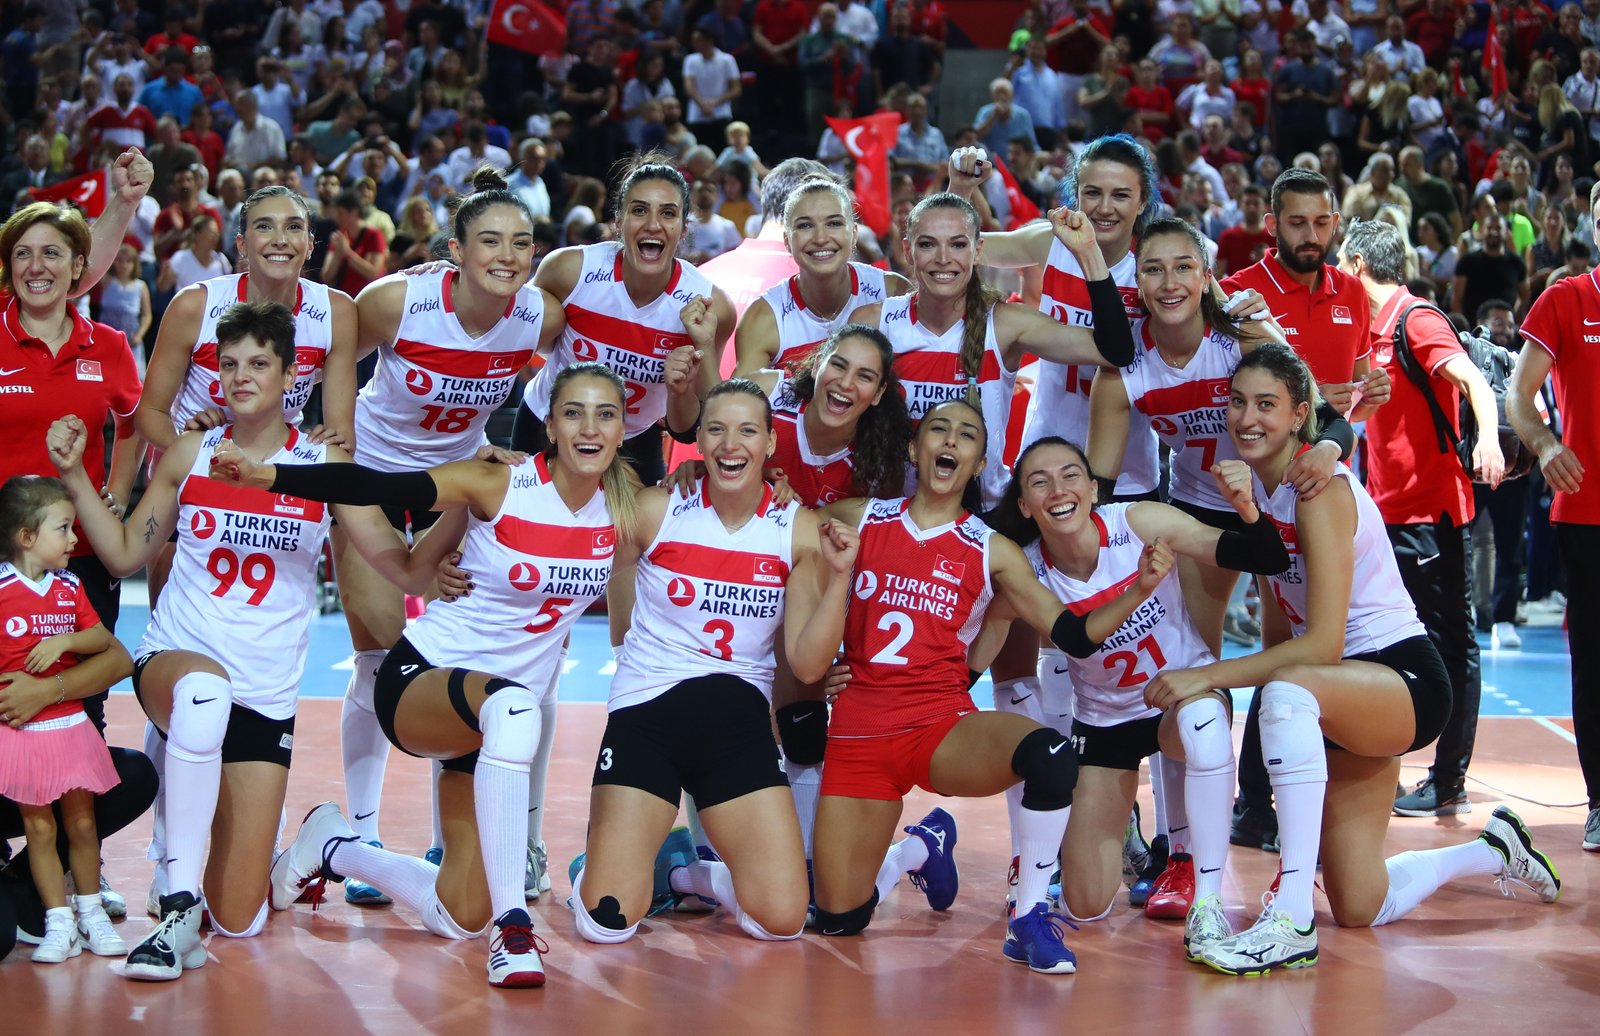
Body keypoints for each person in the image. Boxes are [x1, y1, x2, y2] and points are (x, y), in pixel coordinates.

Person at [46, 300, 444, 980]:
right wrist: (75, 475)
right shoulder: (191, 451)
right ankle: (176, 913)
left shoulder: (322, 464)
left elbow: (404, 568)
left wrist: (461, 513)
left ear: (290, 376)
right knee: (204, 692)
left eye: (259, 364)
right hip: (178, 660)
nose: (240, 377)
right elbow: (123, 554)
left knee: (239, 916)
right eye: (228, 365)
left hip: (264, 692)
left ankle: (321, 843)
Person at [214, 362, 641, 988]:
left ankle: (332, 848)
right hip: (424, 680)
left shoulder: (629, 508)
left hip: (492, 723)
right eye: (573, 413)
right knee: (518, 708)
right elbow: (375, 483)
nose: (589, 428)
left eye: (605, 415)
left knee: (459, 913)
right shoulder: (498, 482)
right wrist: (267, 474)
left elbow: (715, 500)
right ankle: (515, 930)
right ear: (549, 425)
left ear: (625, 429)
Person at [1151, 344, 1559, 976]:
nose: (1248, 418)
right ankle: (1494, 849)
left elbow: (1322, 647)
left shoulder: (1317, 490)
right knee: (1361, 902)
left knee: (1284, 691)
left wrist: (1204, 676)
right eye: (1238, 402)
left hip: (1401, 679)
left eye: (1266, 404)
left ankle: (1290, 919)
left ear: (1299, 415)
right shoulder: (1265, 496)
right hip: (1339, 691)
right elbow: (1282, 628)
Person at [332, 168, 565, 904]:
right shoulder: (397, 301)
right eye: (489, 241)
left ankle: (450, 839)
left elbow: (569, 381)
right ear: (456, 251)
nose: (508, 255)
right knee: (377, 663)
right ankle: (363, 837)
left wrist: (525, 458)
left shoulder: (537, 317)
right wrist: (331, 450)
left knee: (459, 664)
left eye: (521, 243)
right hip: (372, 483)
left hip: (454, 494)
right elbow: (333, 356)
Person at [571, 379, 858, 947]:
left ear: (770, 443)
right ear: (697, 440)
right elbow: (570, 563)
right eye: (717, 429)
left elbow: (807, 666)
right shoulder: (657, 510)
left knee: (782, 920)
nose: (731, 444)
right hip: (647, 719)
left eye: (747, 430)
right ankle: (608, 861)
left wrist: (840, 577)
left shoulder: (799, 529)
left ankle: (683, 872)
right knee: (606, 922)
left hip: (737, 731)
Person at [810, 399, 1093, 974]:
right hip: (860, 729)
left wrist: (1140, 589)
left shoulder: (992, 548)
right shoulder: (857, 517)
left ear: (979, 464)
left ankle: (1029, 917)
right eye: (938, 429)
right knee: (840, 916)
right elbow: (771, 531)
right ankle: (923, 847)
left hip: (939, 722)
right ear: (915, 449)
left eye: (966, 435)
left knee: (1050, 756)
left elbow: (1071, 632)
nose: (950, 440)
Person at [979, 436, 1288, 950]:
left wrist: (1248, 510)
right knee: (1085, 903)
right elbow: (976, 657)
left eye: (1070, 475)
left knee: (1204, 728)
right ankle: (1123, 827)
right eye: (1040, 481)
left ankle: (1206, 897)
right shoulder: (1026, 571)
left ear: (1093, 489)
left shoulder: (1139, 522)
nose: (1058, 490)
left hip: (1179, 697)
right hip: (1104, 722)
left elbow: (1267, 557)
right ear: (1025, 506)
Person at [1219, 167, 1389, 850]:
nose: (1311, 235)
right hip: (1253, 486)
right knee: (1279, 641)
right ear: (1272, 224)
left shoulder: (1352, 294)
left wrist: (1361, 399)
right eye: (1297, 223)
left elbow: (1348, 400)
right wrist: (1324, 410)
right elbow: (1247, 390)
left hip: (1323, 484)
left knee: (1308, 642)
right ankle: (1253, 799)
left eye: (1322, 223)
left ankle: (1284, 798)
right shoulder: (1241, 292)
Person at [1337, 218, 1506, 819]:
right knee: (1382, 638)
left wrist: (1489, 439)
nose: (1336, 272)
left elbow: (1472, 380)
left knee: (1451, 643)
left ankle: (1449, 777)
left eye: (1341, 262)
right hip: (1386, 516)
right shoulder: (1370, 329)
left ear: (1358, 264)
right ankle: (1382, 761)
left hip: (1433, 516)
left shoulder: (1417, 319)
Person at [848, 173, 1138, 511]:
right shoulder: (874, 322)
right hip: (889, 515)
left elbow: (1115, 351)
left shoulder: (1005, 324)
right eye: (927, 244)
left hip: (984, 517)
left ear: (978, 251)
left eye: (958, 245)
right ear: (907, 252)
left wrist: (1088, 252)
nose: (943, 257)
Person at [514, 157, 735, 487]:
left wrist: (690, 368)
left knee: (645, 522)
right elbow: (510, 329)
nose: (653, 225)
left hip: (634, 439)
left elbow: (695, 424)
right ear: (618, 221)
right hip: (547, 425)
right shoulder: (569, 271)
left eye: (668, 213)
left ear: (684, 229)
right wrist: (453, 278)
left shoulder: (711, 305)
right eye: (640, 210)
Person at [0, 476, 132, 963]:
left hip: (70, 725)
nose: (75, 539)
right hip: (21, 733)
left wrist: (65, 641)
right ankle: (58, 923)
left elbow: (100, 640)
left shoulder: (70, 586)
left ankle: (91, 913)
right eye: (63, 528)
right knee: (39, 829)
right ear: (26, 536)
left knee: (81, 822)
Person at [1508, 178, 1600, 851]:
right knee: (1594, 661)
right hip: (1586, 510)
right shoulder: (1566, 298)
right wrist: (1544, 443)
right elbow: (1519, 394)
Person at [734, 177, 911, 376]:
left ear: (854, 234)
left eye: (834, 223)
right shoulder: (763, 316)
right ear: (787, 241)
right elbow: (737, 395)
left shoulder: (892, 292)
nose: (820, 238)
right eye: (805, 226)